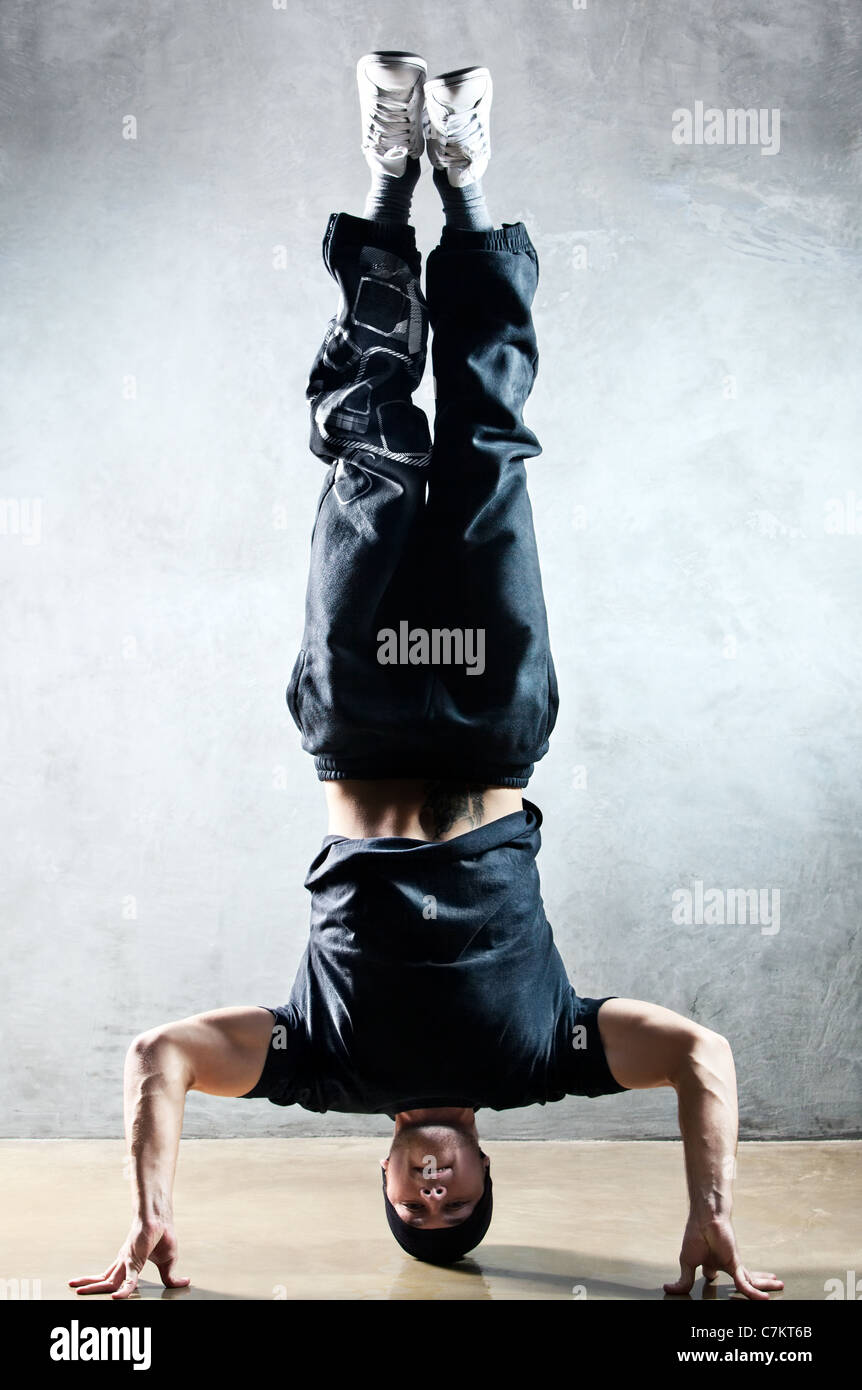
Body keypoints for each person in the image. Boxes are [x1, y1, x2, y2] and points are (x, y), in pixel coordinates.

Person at [69, 51, 783, 1300]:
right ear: (489, 1173)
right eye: (459, 1210)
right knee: (490, 449)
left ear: (388, 1179)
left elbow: (159, 1052)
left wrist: (150, 1212)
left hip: (355, 722)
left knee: (371, 455)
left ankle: (389, 180)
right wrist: (711, 1210)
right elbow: (701, 1054)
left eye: (414, 1210)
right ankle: (465, 185)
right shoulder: (543, 1055)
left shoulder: (323, 1068)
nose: (435, 1195)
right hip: (495, 725)